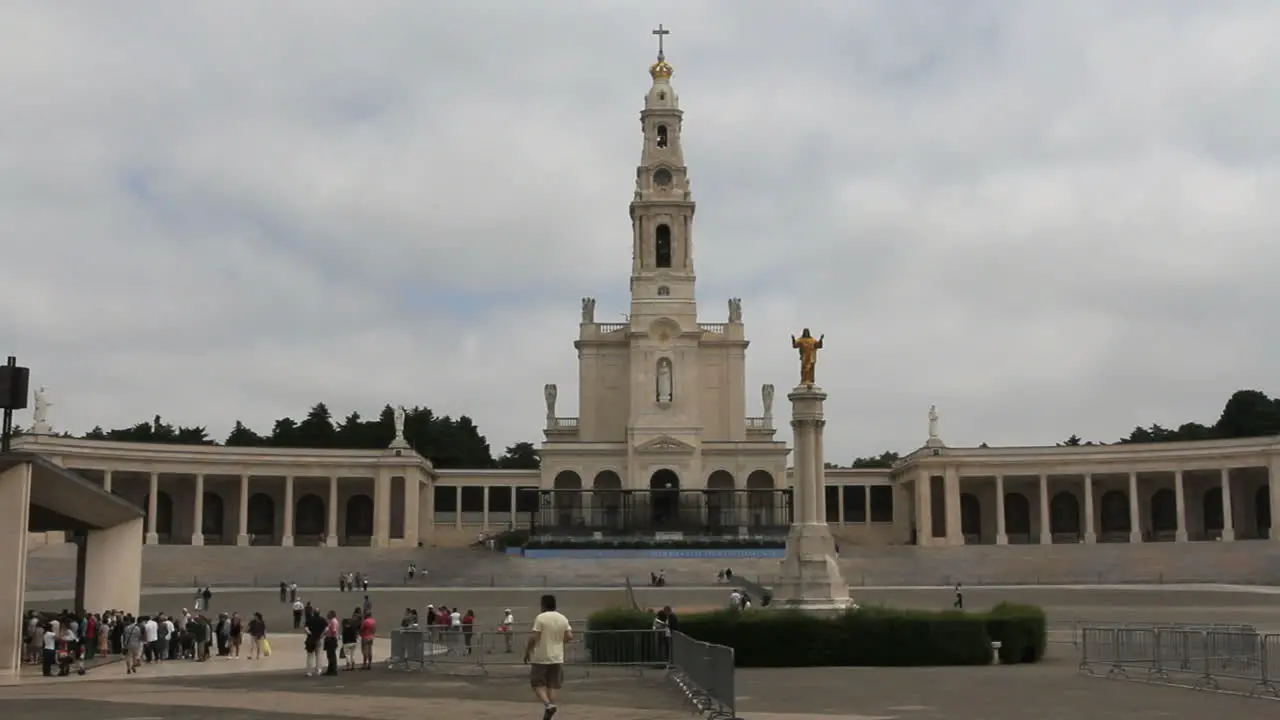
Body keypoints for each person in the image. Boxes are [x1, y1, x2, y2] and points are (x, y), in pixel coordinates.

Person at [525, 594, 572, 720]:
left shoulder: (541, 618)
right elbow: (569, 637)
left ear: (543, 605)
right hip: (557, 656)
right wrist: (559, 640)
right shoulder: (562, 618)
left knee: (537, 683)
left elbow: (534, 637)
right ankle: (549, 709)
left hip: (541, 656)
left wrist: (527, 652)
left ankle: (548, 704)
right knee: (552, 684)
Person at [304, 609, 328, 677]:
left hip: (311, 639)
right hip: (319, 638)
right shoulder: (322, 619)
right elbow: (326, 628)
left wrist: (310, 633)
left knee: (310, 656)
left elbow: (306, 628)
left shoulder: (310, 619)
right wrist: (322, 634)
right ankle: (318, 670)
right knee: (319, 655)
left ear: (313, 613)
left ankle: (309, 672)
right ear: (319, 613)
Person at [324, 610, 341, 676]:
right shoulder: (333, 621)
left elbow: (334, 631)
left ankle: (333, 670)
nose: (327, 615)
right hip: (331, 639)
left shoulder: (333, 621)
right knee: (330, 655)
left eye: (328, 614)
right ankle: (330, 670)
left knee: (331, 655)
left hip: (331, 639)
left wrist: (333, 637)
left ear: (331, 614)